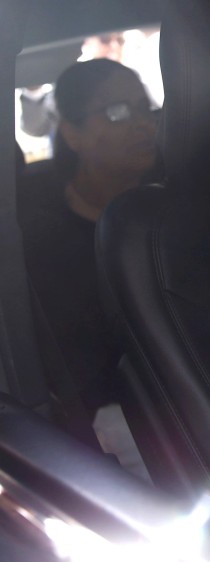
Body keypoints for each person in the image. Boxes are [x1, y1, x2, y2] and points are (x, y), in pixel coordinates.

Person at [19, 58, 158, 469]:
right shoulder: (43, 244)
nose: (141, 124)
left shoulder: (180, 207)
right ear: (72, 134)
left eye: (144, 108)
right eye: (116, 112)